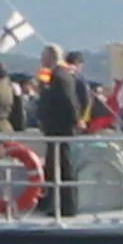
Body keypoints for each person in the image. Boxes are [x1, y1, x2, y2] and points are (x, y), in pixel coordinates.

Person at [35, 43, 80, 216]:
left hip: (60, 129)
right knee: (54, 168)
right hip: (54, 129)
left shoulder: (61, 76)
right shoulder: (54, 75)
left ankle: (67, 206)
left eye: (44, 56)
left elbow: (69, 101)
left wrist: (74, 122)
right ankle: (53, 203)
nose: (41, 59)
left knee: (63, 167)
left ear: (52, 57)